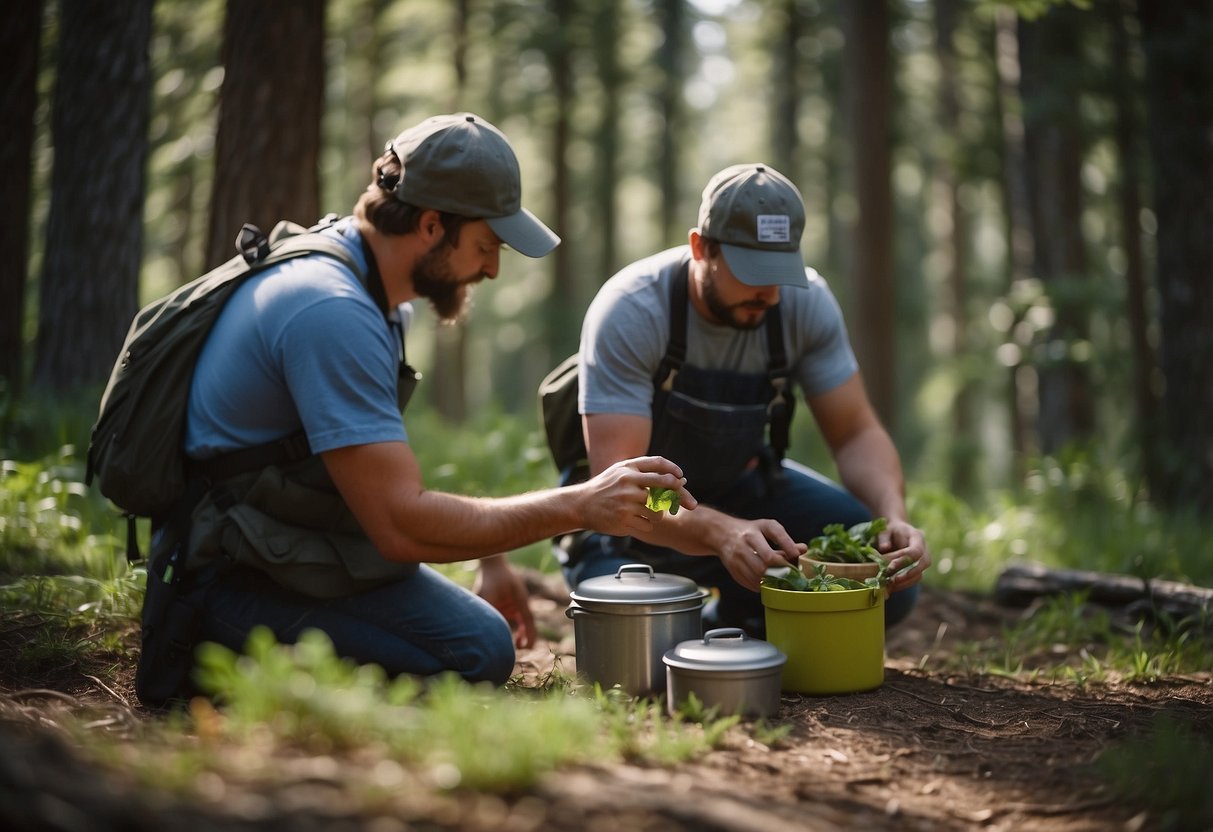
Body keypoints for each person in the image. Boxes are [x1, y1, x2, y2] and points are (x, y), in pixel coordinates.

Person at [177, 113, 695, 688]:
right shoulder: (332, 310)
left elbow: (382, 473)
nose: (493, 270)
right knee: (477, 651)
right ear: (430, 225)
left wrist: (492, 559)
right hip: (231, 573)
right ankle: (213, 650)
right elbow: (400, 524)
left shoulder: (372, 294)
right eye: (485, 245)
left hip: (296, 546)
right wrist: (579, 504)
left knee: (477, 640)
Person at [559, 162, 928, 637]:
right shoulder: (633, 309)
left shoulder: (805, 303)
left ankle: (734, 616)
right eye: (753, 272)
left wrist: (892, 514)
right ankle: (706, 618)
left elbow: (856, 431)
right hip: (629, 526)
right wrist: (719, 532)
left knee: (884, 586)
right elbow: (623, 483)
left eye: (780, 272)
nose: (769, 294)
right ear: (700, 248)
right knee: (637, 644)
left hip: (742, 489)